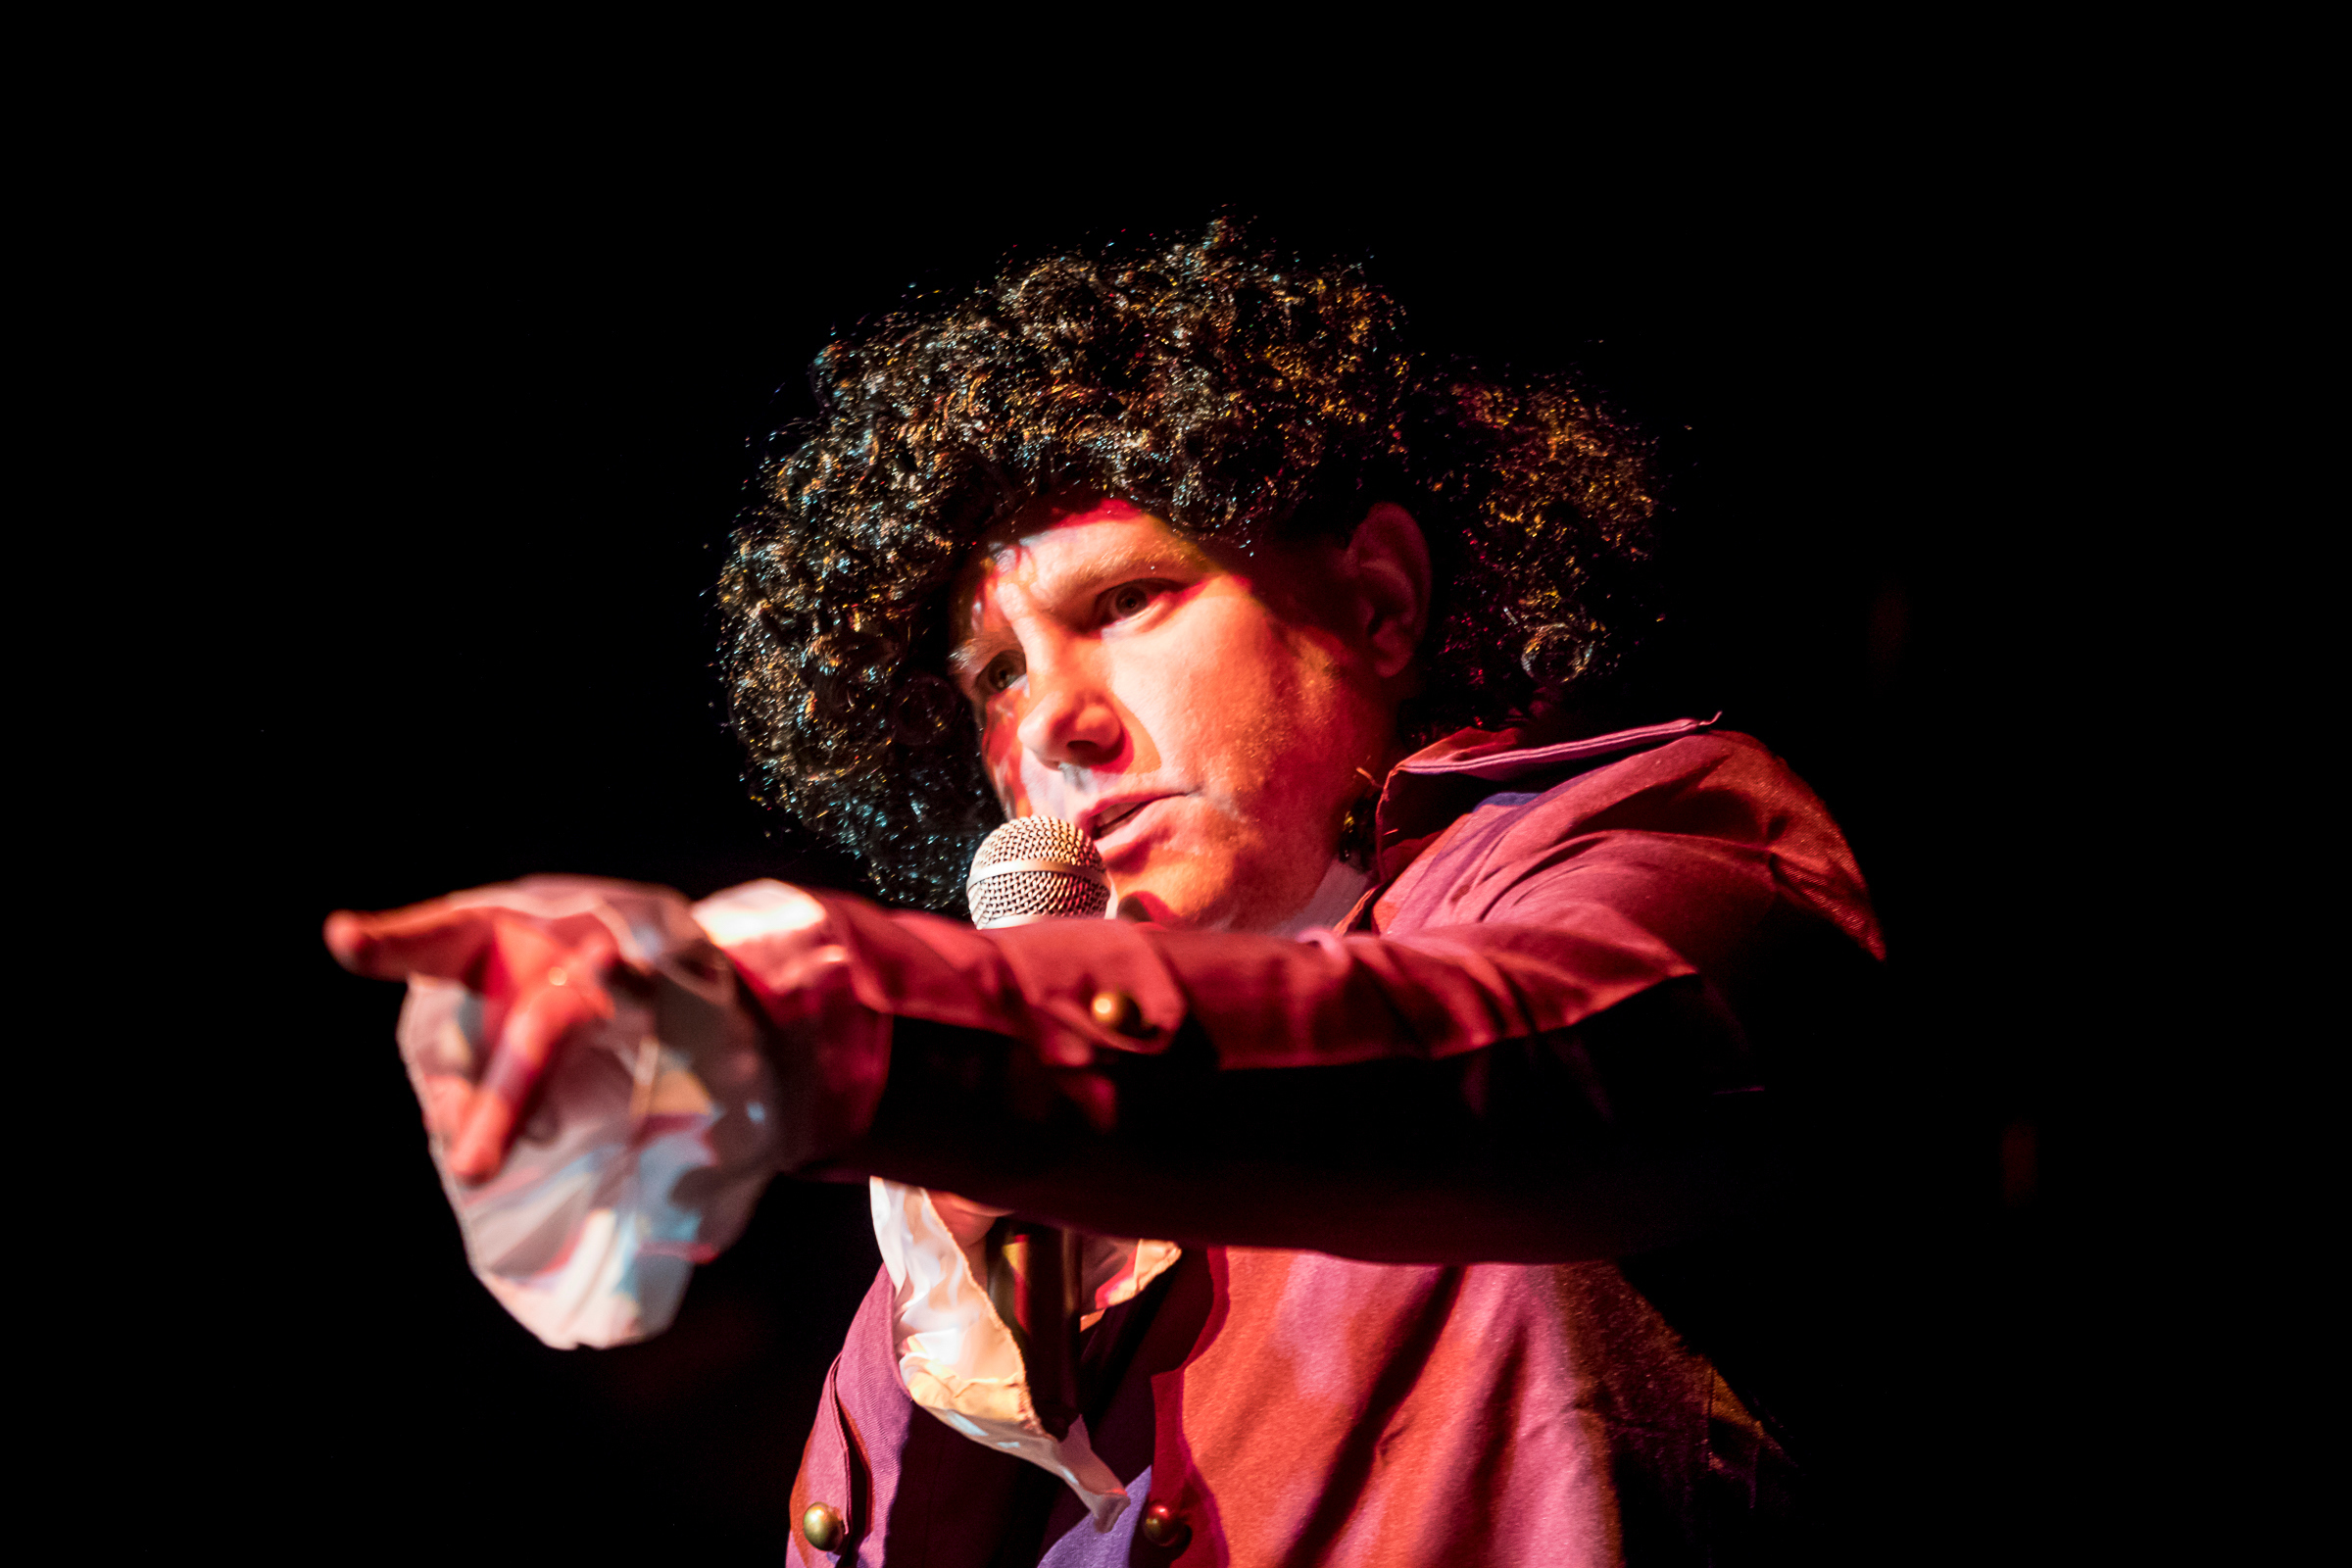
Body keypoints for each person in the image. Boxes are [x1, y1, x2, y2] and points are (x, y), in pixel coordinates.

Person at [326, 224, 1884, 1565]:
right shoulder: (950, 1235)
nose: (1045, 727)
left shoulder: (1649, 840)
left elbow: (1534, 1055)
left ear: (1379, 599)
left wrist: (838, 1021)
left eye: (1125, 603)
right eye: (995, 676)